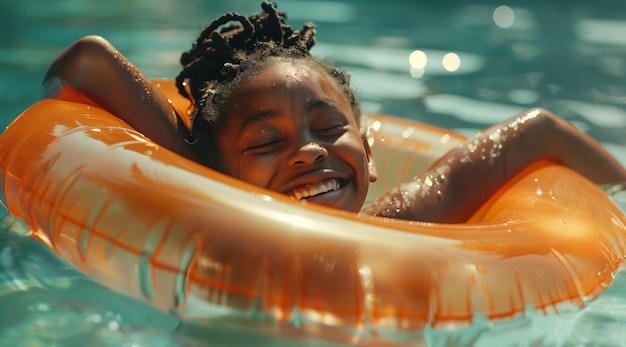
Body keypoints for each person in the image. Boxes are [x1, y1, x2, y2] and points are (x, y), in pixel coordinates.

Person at [42, 1, 626, 223]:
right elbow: (89, 60)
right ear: (215, 168)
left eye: (328, 129)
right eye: (266, 143)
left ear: (369, 157)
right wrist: (192, 153)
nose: (310, 150)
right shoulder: (205, 195)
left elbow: (539, 132)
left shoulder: (401, 220)